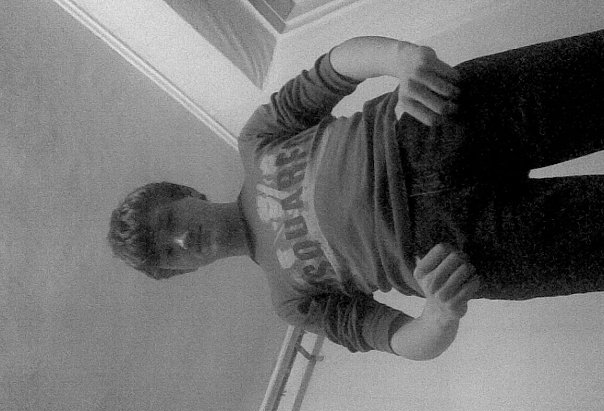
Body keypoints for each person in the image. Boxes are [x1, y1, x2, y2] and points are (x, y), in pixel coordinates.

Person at [108, 30, 604, 360]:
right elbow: (399, 341)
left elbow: (333, 69)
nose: (181, 241)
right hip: (459, 252)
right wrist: (439, 316)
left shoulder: (256, 140)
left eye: (168, 222)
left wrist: (402, 59)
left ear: (186, 193)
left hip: (434, 122)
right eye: (170, 255)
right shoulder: (290, 302)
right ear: (185, 271)